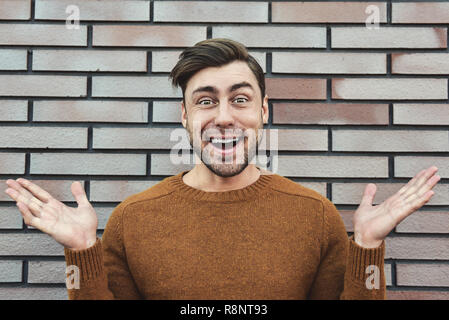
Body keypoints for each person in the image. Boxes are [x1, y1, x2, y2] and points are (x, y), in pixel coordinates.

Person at [4, 38, 440, 300]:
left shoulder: (315, 215)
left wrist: (366, 245)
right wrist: (82, 251)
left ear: (264, 111)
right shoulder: (132, 219)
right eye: (206, 101)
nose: (225, 117)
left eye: (241, 99)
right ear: (185, 116)